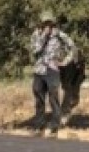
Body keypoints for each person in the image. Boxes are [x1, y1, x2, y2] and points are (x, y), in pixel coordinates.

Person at [29, 10, 77, 138]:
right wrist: (43, 36)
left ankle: (54, 128)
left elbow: (72, 47)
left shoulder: (59, 35)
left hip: (52, 70)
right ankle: (39, 127)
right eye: (45, 23)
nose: (47, 26)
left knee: (53, 98)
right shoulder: (36, 34)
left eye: (49, 23)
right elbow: (35, 50)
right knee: (39, 98)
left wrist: (65, 61)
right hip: (39, 69)